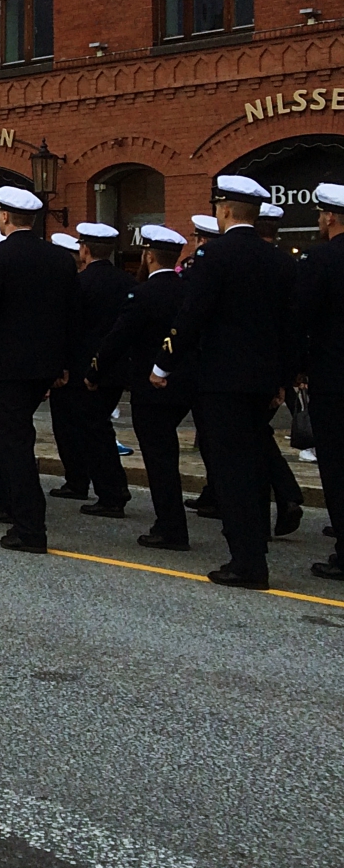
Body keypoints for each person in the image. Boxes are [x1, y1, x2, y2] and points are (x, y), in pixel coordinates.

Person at [158, 174, 298, 588]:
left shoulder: (213, 258)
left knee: (231, 471)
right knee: (254, 466)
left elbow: (192, 317)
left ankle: (247, 562)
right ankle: (257, 546)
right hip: (262, 382)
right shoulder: (280, 260)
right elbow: (291, 327)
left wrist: (164, 363)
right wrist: (283, 380)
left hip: (221, 380)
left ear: (224, 211)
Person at [0, 187, 79, 554]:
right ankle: (18, 510)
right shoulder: (60, 259)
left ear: (5, 217)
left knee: (14, 445)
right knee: (18, 439)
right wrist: (64, 364)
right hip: (43, 366)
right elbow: (72, 315)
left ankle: (29, 525)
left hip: (5, 368)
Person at [90, 224, 192, 551]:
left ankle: (170, 527)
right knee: (169, 456)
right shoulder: (188, 289)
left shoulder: (143, 294)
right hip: (186, 383)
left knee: (160, 460)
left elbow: (118, 338)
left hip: (151, 386)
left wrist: (94, 371)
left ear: (148, 256)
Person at [51, 222, 134, 515]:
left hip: (82, 370)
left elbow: (68, 328)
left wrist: (60, 366)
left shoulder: (81, 284)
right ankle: (99, 485)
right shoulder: (128, 283)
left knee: (91, 432)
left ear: (84, 250)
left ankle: (110, 491)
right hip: (115, 369)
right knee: (97, 429)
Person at [298, 181, 344, 580]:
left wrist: (293, 368)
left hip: (334, 379)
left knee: (337, 465)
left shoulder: (320, 260)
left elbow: (302, 320)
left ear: (330, 217)